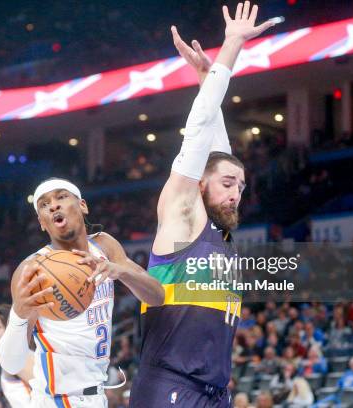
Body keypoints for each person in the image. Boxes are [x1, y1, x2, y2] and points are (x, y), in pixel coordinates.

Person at [129, 3, 279, 407]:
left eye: (242, 187)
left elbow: (219, 157)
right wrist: (231, 48)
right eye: (229, 185)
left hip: (214, 392)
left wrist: (204, 79)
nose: (236, 193)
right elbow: (198, 133)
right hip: (170, 387)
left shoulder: (220, 228)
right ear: (199, 185)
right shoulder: (182, 211)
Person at [0, 178, 164, 407]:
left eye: (61, 197)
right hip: (56, 399)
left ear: (83, 206)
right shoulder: (33, 271)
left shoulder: (104, 246)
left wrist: (122, 272)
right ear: (42, 223)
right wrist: (18, 314)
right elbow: (11, 364)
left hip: (96, 396)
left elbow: (157, 296)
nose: (53, 205)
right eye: (44, 204)